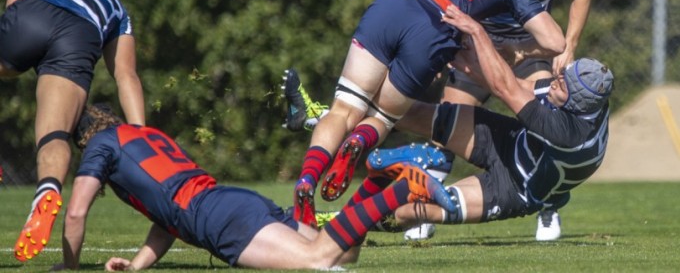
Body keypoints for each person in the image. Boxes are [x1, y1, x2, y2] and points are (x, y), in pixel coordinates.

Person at [291, 0, 567, 228]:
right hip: (434, 28)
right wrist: (519, 50)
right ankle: (358, 141)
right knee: (382, 118)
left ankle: (307, 178)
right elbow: (555, 42)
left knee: (344, 108)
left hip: (393, 3)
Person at [51, 104, 457, 271]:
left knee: (316, 261)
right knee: (343, 254)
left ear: (83, 137)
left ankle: (400, 190)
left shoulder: (99, 146)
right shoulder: (140, 135)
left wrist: (69, 268)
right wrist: (137, 265)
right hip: (231, 201)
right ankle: (374, 184)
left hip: (217, 219)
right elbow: (166, 216)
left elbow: (76, 211)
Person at [364, 5, 612, 239]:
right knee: (414, 113)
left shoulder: (568, 134)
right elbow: (522, 86)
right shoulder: (582, 99)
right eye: (561, 77)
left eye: (562, 84)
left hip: (515, 187)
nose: (555, 79)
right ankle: (341, 119)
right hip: (512, 141)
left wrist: (476, 30)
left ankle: (345, 222)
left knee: (413, 211)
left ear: (576, 103)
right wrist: (464, 63)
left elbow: (506, 88)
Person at [439, 0, 592, 241]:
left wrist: (568, 46)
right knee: (445, 119)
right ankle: (426, 204)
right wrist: (449, 45)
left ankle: (549, 207)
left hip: (531, 50)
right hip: (481, 45)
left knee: (545, 122)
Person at [1, 0, 146, 262]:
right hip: (80, 37)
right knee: (54, 135)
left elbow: (16, 15)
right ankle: (48, 189)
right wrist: (141, 137)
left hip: (34, 13)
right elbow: (126, 75)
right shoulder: (113, 2)